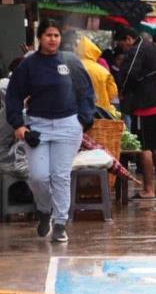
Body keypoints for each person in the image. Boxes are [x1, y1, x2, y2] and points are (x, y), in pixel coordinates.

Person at [5, 18, 95, 242]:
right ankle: (44, 210)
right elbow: (13, 95)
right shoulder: (28, 64)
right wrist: (19, 125)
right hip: (38, 127)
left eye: (56, 35)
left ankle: (60, 223)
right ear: (39, 38)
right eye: (48, 35)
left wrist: (83, 120)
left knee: (60, 176)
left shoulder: (70, 61)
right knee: (38, 176)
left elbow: (86, 91)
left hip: (68, 126)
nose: (52, 39)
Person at [115, 27, 156, 200]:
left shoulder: (138, 49)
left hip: (146, 106)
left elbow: (129, 74)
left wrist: (123, 90)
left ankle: (148, 189)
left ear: (128, 38)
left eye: (122, 45)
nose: (123, 49)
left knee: (145, 147)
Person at [76, 36, 119, 118]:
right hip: (101, 111)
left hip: (78, 111)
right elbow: (112, 93)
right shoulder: (103, 71)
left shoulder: (72, 67)